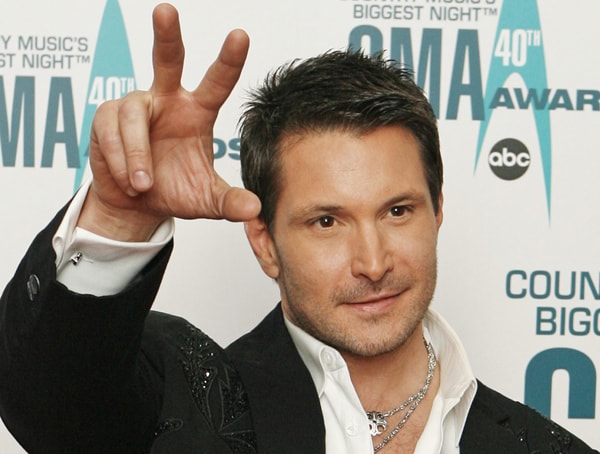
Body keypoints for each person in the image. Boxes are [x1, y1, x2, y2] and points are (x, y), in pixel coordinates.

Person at [0, 3, 596, 453]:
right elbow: (51, 405)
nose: (373, 262)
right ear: (264, 243)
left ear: (437, 211)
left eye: (397, 211)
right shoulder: (185, 399)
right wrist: (121, 217)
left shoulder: (547, 447)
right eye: (327, 221)